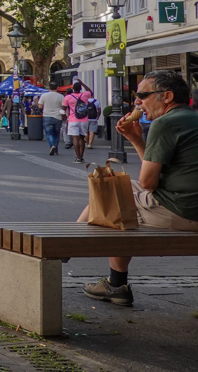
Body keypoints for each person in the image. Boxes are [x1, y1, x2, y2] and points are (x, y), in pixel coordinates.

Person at [77, 71, 198, 307]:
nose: (137, 102)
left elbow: (148, 183)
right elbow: (158, 175)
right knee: (118, 189)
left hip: (183, 211)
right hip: (190, 204)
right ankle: (105, 274)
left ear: (167, 96)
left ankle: (72, 248)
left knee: (112, 195)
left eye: (142, 95)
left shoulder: (164, 123)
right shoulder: (191, 118)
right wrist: (136, 140)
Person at [62, 78, 94, 163]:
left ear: (73, 88)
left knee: (75, 138)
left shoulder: (68, 97)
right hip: (84, 120)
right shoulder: (85, 95)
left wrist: (64, 116)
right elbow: (91, 91)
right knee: (82, 138)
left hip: (73, 120)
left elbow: (64, 108)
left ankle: (78, 158)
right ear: (80, 88)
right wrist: (82, 83)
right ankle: (82, 156)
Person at [37, 81, 65, 156]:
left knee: (49, 133)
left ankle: (52, 145)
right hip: (57, 116)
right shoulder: (61, 96)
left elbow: (40, 106)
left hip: (47, 116)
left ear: (49, 88)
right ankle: (55, 148)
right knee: (56, 133)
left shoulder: (44, 95)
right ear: (57, 88)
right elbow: (63, 106)